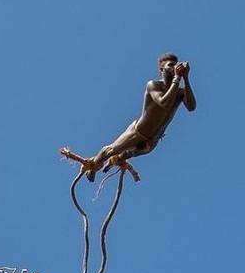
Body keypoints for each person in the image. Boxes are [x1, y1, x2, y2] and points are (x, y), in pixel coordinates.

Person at [69, 53, 197, 180]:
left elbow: (191, 107)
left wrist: (186, 79)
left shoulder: (180, 92)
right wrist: (177, 79)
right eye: (170, 66)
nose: (174, 68)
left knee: (132, 153)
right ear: (161, 70)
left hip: (153, 140)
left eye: (176, 65)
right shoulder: (154, 85)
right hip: (138, 132)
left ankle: (117, 160)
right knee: (111, 150)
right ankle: (94, 166)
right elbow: (164, 103)